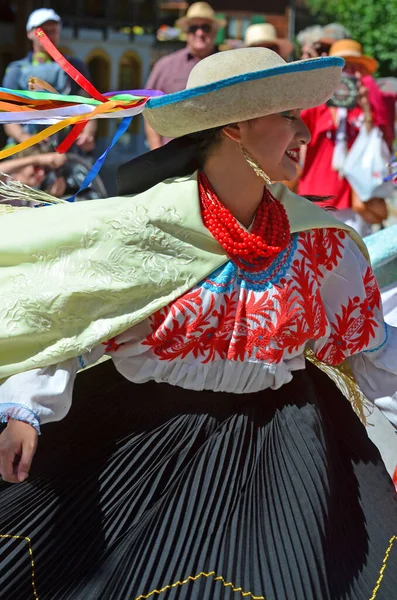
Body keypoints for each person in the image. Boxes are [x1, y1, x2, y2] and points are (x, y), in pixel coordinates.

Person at [0, 48, 396, 600]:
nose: (302, 131)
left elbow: (371, 351)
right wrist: (28, 410)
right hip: (140, 439)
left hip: (280, 446)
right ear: (236, 127)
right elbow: (62, 307)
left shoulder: (319, 242)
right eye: (286, 115)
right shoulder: (145, 226)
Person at [298, 39, 390, 237]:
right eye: (346, 67)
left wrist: (366, 108)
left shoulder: (363, 108)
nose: (352, 73)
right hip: (316, 200)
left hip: (352, 202)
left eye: (357, 68)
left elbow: (376, 149)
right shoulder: (316, 104)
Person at [2, 8, 96, 153]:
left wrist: (87, 134)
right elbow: (7, 116)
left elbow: (89, 107)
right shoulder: (16, 70)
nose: (49, 36)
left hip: (66, 149)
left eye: (54, 30)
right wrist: (24, 137)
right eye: (43, 31)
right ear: (30, 33)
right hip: (27, 151)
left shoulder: (75, 67)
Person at [144, 2, 224, 149]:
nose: (200, 33)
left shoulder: (227, 67)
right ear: (186, 32)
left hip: (218, 156)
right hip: (174, 156)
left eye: (205, 27)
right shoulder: (165, 66)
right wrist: (158, 155)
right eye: (194, 28)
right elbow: (149, 111)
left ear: (214, 31)